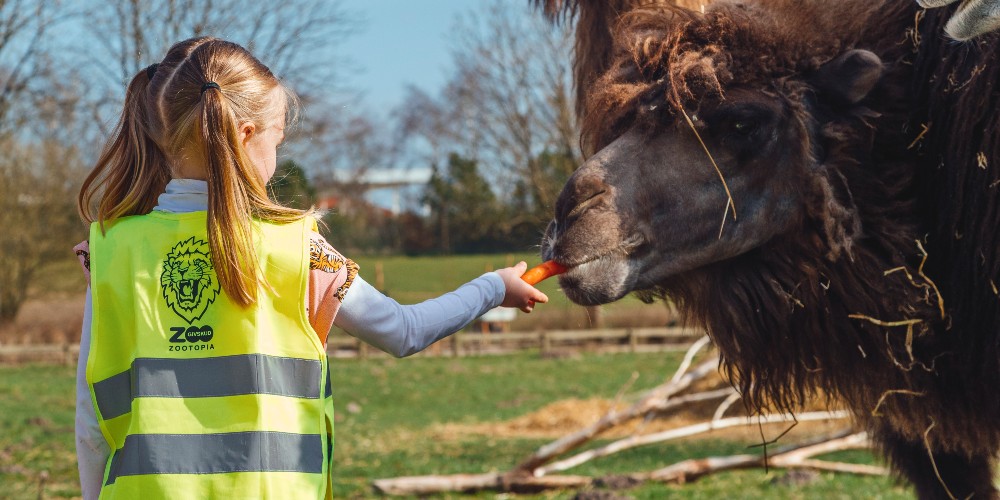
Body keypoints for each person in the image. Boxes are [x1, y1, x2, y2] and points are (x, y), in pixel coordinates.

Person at [73, 36, 548, 500]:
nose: (277, 156)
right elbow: (403, 330)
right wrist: (492, 288)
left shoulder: (112, 249)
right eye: (277, 137)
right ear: (244, 136)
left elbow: (91, 427)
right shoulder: (298, 248)